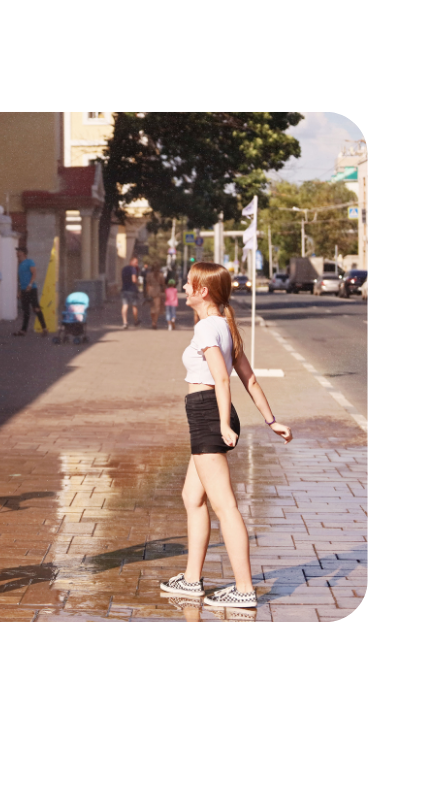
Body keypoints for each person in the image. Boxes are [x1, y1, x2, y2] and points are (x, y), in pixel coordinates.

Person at [159, 262, 294, 611]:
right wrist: (271, 421)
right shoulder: (224, 325)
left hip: (208, 415)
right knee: (192, 496)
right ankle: (191, 580)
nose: (184, 288)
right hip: (208, 414)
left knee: (225, 505)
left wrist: (222, 424)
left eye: (189, 284)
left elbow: (223, 379)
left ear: (203, 291)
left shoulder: (208, 328)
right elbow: (251, 379)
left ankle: (244, 589)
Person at [14, 247, 47, 337]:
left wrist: (30, 284)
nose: (17, 253)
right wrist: (19, 291)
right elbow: (20, 279)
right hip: (24, 290)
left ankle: (44, 328)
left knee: (36, 308)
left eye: (18, 251)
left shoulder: (29, 262)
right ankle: (23, 330)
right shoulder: (20, 265)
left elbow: (34, 273)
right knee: (26, 310)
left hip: (31, 289)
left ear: (23, 253)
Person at [121, 254, 140, 328]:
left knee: (125, 305)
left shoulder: (124, 269)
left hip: (124, 289)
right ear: (131, 261)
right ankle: (135, 321)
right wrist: (138, 283)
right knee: (134, 306)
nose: (137, 264)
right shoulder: (133, 269)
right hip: (132, 290)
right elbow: (134, 280)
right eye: (136, 262)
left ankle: (125, 322)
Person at [146, 264, 166, 329]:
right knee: (157, 308)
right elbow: (163, 284)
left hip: (151, 290)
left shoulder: (149, 275)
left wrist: (147, 292)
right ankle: (155, 322)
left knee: (152, 308)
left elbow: (147, 284)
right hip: (157, 290)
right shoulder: (160, 275)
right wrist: (164, 292)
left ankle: (153, 321)